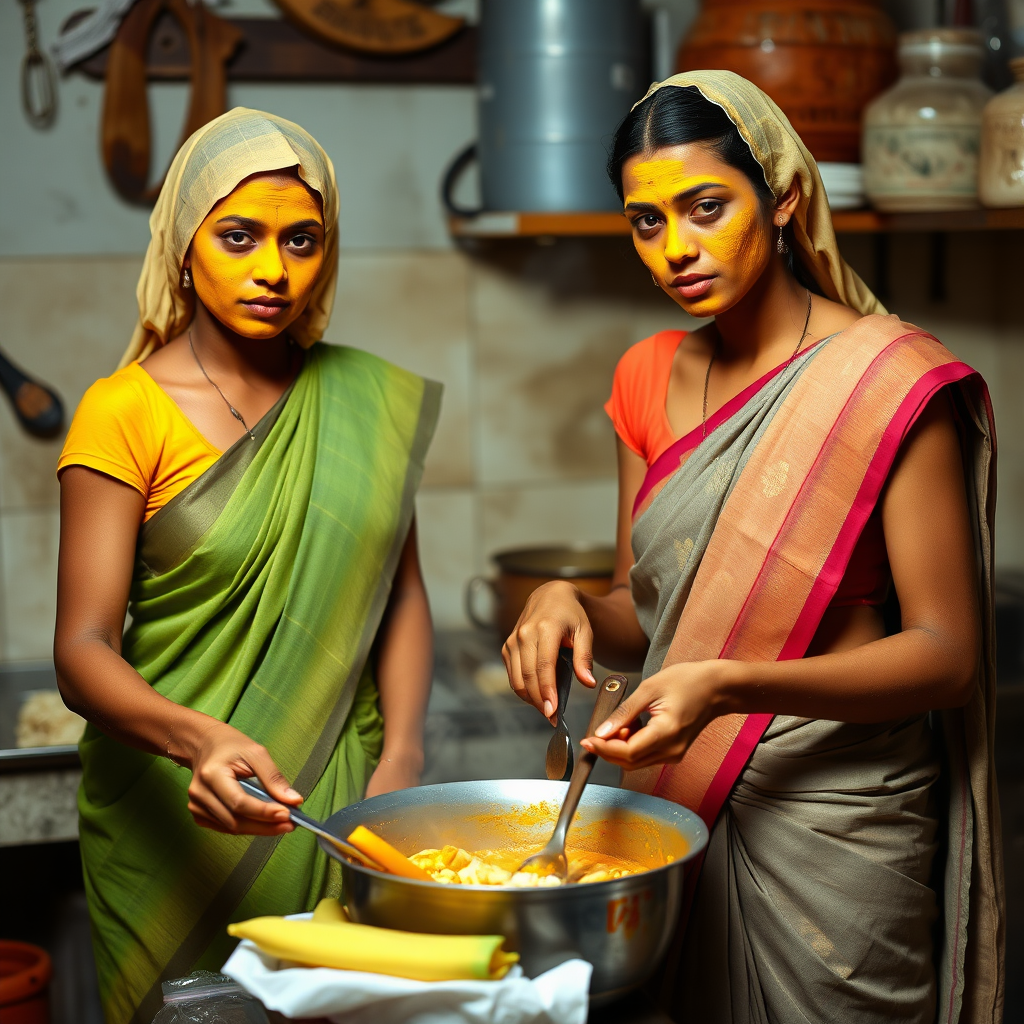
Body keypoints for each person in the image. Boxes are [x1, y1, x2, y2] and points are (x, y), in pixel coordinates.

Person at [502, 72, 1003, 1023]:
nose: (676, 249)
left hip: (841, 818)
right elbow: (643, 606)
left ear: (780, 199)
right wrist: (567, 599)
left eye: (704, 207)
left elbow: (947, 657)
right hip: (680, 806)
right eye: (647, 222)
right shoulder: (647, 374)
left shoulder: (886, 381)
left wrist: (731, 686)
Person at [53, 108, 440, 1024]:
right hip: (170, 808)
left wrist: (406, 755)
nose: (274, 269)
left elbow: (404, 598)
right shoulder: (124, 411)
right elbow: (81, 648)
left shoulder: (364, 402)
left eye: (302, 241)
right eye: (240, 237)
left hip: (335, 807)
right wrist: (201, 741)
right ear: (186, 245)